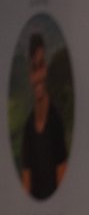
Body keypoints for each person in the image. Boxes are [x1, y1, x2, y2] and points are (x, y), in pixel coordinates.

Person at [20, 32, 69, 200]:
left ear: (46, 69)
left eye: (41, 66)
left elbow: (62, 181)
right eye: (34, 68)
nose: (38, 76)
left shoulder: (56, 123)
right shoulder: (27, 129)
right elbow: (26, 186)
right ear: (29, 74)